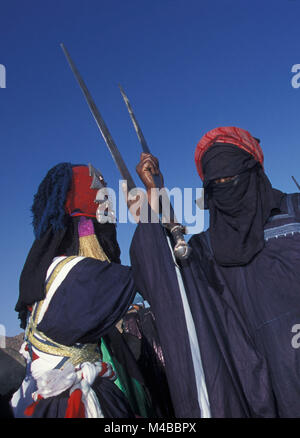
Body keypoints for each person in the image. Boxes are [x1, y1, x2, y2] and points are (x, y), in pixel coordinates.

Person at [130, 126, 300, 418]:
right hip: (256, 390)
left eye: (232, 177)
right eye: (217, 182)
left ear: (255, 171)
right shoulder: (205, 251)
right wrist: (154, 195)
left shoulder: (294, 213)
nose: (226, 186)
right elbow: (161, 278)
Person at [11, 162, 138, 418]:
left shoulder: (48, 274)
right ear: (85, 232)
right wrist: (149, 210)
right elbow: (152, 277)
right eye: (99, 226)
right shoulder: (74, 275)